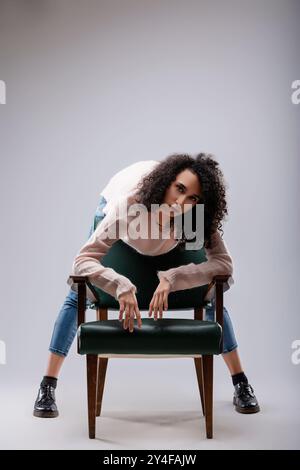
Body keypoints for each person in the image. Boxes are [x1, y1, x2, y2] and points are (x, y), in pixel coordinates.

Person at [33, 153, 260, 418]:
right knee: (79, 294)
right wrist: (120, 284)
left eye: (193, 198)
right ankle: (47, 386)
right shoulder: (130, 206)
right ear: (168, 182)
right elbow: (82, 260)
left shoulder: (193, 216)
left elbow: (223, 264)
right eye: (180, 189)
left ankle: (240, 382)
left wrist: (173, 277)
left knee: (209, 295)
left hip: (163, 234)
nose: (181, 202)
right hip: (122, 207)